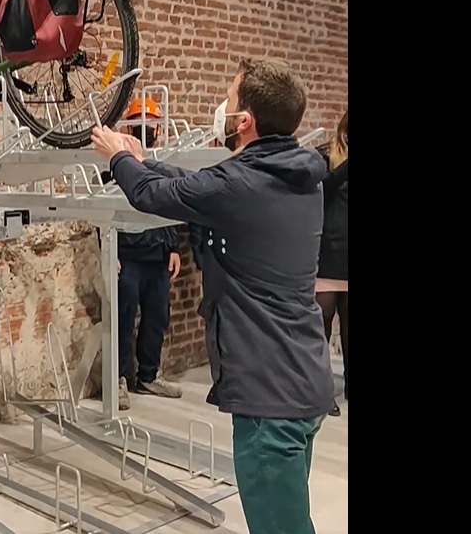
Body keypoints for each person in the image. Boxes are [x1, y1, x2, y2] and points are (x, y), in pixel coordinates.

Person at [91, 59, 332, 534]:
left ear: (245, 121)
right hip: (302, 382)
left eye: (230, 98)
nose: (221, 107)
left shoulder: (241, 184)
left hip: (269, 396)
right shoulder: (295, 176)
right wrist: (143, 159)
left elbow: (152, 197)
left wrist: (118, 156)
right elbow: (197, 186)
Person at [97, 97, 183, 409]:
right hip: (127, 255)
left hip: (157, 255)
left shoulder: (160, 161)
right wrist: (108, 251)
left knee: (157, 317)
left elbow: (169, 204)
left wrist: (173, 247)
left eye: (151, 123)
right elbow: (99, 206)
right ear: (130, 126)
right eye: (140, 122)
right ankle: (118, 379)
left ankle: (148, 376)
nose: (146, 128)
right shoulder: (114, 165)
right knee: (121, 320)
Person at [316, 109, 348, 417]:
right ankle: (322, 391)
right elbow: (320, 189)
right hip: (329, 250)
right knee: (321, 327)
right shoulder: (327, 153)